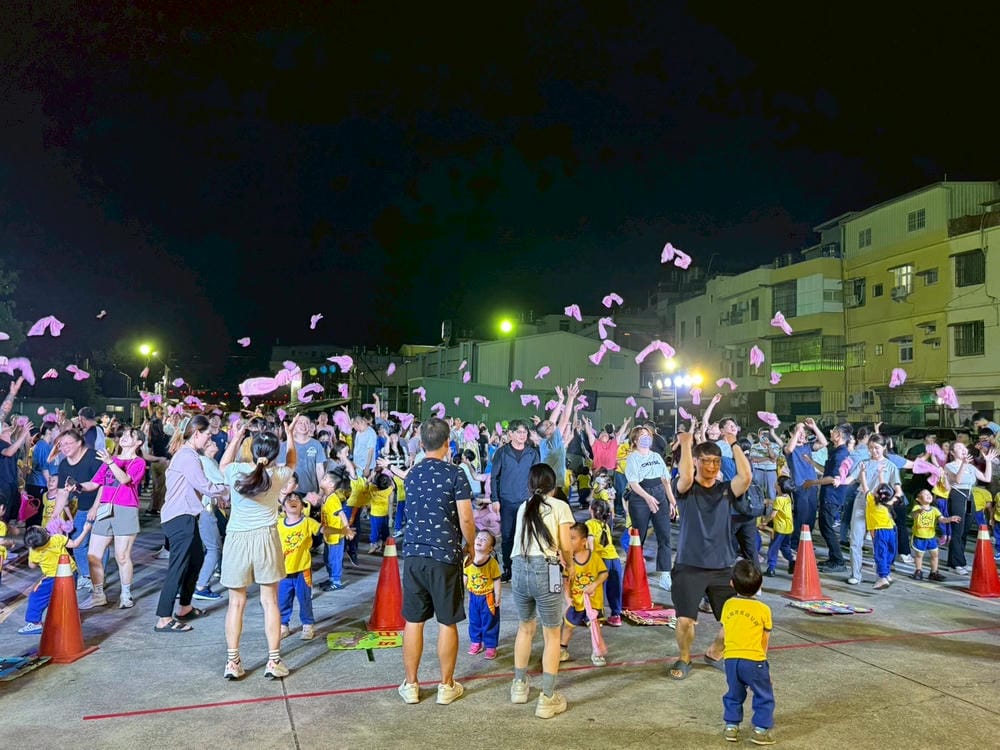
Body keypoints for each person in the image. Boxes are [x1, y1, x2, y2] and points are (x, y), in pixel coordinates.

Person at [398, 418, 477, 706]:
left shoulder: (412, 474)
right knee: (447, 621)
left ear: (421, 444)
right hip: (444, 555)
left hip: (414, 555)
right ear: (448, 444)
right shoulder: (455, 474)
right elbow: (466, 517)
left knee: (414, 621)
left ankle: (411, 684)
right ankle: (446, 686)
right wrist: (470, 544)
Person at [669, 432, 751, 681]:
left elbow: (746, 477)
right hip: (689, 566)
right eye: (705, 461)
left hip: (722, 566)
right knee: (685, 621)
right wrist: (686, 443)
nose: (711, 466)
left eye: (716, 461)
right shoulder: (685, 489)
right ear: (696, 461)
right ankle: (684, 658)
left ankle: (714, 652)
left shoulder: (726, 490)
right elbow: (685, 476)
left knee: (735, 620)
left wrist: (733, 443)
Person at [218, 420, 297, 679]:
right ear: (275, 454)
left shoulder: (236, 471)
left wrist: (237, 436)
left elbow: (223, 464)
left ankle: (233, 662)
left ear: (252, 450)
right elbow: (292, 462)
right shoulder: (278, 475)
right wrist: (289, 435)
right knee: (269, 601)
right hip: (266, 539)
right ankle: (273, 661)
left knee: (236, 603)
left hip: (237, 540)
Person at [509, 463, 575, 718]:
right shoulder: (560, 507)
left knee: (525, 628)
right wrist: (570, 566)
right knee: (551, 634)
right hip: (548, 570)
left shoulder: (523, 507)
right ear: (553, 486)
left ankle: (519, 685)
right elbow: (566, 546)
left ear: (530, 485)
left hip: (519, 569)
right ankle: (547, 698)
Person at [155, 416, 229, 634]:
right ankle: (164, 618)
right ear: (197, 433)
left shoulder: (188, 454)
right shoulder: (187, 456)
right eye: (207, 435)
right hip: (179, 518)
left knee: (196, 560)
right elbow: (203, 485)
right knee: (178, 567)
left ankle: (185, 607)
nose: (209, 439)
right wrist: (225, 491)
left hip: (186, 515)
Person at [82, 427, 147, 609]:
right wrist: (77, 486)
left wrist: (110, 462)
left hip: (126, 509)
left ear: (138, 443)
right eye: (124, 435)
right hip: (105, 509)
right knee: (93, 555)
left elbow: (125, 480)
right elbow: (94, 483)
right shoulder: (111, 460)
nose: (124, 437)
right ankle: (98, 594)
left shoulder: (139, 462)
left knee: (122, 556)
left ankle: (126, 594)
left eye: (130, 436)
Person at [833, 435, 902, 586]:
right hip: (862, 502)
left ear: (884, 447)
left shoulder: (891, 466)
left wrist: (890, 502)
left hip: (880, 507)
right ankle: (856, 574)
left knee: (882, 542)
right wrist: (839, 480)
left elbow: (898, 490)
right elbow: (850, 479)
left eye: (877, 448)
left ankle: (883, 574)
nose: (873, 451)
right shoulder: (863, 463)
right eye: (870, 448)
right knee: (855, 539)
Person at [721, 560, 775, 745]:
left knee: (734, 693)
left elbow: (726, 630)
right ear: (760, 586)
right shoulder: (763, 609)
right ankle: (760, 730)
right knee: (763, 695)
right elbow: (764, 639)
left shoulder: (728, 605)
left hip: (731, 659)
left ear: (732, 583)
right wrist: (763, 663)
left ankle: (731, 727)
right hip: (754, 660)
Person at [49, 429, 104, 592]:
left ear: (79, 443)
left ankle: (99, 579)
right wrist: (55, 514)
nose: (64, 447)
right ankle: (87, 576)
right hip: (84, 505)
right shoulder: (64, 464)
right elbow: (62, 492)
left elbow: (104, 484)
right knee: (77, 541)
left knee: (99, 544)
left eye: (68, 443)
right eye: (61, 445)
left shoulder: (94, 457)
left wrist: (95, 507)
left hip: (103, 504)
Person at [624, 424, 677, 591]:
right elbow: (633, 483)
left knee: (664, 536)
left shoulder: (656, 456)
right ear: (635, 440)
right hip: (641, 497)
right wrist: (647, 498)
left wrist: (672, 501)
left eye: (648, 435)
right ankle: (635, 572)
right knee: (638, 537)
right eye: (642, 435)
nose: (646, 437)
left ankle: (665, 575)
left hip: (659, 494)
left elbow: (666, 480)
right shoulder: (632, 458)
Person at [490, 419, 541, 581]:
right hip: (507, 501)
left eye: (525, 432)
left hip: (526, 501)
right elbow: (494, 477)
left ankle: (525, 569)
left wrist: (537, 498)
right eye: (519, 432)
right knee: (507, 536)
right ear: (510, 434)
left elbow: (536, 477)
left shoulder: (532, 453)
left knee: (527, 535)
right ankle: (508, 568)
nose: (522, 435)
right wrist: (495, 499)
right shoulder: (502, 453)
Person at [18, 523, 88, 634]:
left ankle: (34, 623)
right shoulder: (57, 538)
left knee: (36, 597)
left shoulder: (35, 551)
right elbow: (75, 544)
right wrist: (86, 530)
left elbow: (32, 566)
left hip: (52, 578)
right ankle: (71, 617)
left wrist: (32, 550)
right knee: (67, 596)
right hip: (71, 573)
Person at [559, 521, 608, 667]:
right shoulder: (569, 561)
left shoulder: (594, 557)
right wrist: (567, 598)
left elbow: (604, 573)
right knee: (568, 625)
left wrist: (594, 585)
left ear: (584, 541)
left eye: (573, 538)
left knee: (594, 626)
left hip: (593, 602)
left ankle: (597, 652)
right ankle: (562, 649)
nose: (569, 542)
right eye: (568, 538)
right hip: (576, 602)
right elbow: (566, 581)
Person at [943, 441, 995, 574]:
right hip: (958, 496)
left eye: (964, 447)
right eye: (959, 448)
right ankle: (957, 563)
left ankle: (955, 561)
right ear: (952, 452)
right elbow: (958, 480)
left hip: (970, 497)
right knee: (958, 530)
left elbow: (986, 478)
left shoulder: (971, 467)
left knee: (965, 530)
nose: (963, 449)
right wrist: (963, 465)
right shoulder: (949, 466)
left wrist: (988, 461)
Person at [277, 493, 321, 641]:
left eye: (297, 499)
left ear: (302, 507)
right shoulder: (278, 523)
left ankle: (307, 625)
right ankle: (283, 625)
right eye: (289, 500)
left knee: (304, 599)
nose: (293, 501)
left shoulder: (308, 522)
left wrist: (341, 530)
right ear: (283, 507)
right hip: (283, 571)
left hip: (302, 570)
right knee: (283, 599)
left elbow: (322, 530)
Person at [783, 419, 827, 552]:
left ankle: (806, 541)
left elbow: (824, 443)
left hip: (812, 484)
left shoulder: (808, 446)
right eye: (799, 432)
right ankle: (795, 543)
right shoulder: (788, 447)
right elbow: (789, 449)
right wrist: (798, 431)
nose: (802, 434)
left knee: (811, 515)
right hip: (799, 485)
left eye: (804, 432)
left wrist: (814, 427)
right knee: (801, 515)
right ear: (792, 434)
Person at [193, 438, 226, 601]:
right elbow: (222, 483)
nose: (214, 443)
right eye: (211, 443)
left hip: (207, 509)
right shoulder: (206, 461)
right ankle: (201, 586)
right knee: (214, 548)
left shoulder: (209, 461)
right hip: (206, 510)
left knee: (212, 546)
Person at [464, 529, 502, 660]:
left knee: (489, 621)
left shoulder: (492, 563)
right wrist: (462, 593)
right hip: (473, 596)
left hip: (488, 597)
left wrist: (497, 595)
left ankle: (490, 645)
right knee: (474, 621)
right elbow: (465, 576)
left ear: (490, 548)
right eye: (478, 538)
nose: (480, 540)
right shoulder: (468, 560)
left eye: (484, 539)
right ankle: (476, 642)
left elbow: (496, 579)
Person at [910, 489, 960, 581]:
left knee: (935, 555)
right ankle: (918, 571)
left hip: (931, 537)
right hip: (919, 537)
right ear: (918, 499)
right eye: (925, 494)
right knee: (919, 556)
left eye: (929, 494)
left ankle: (934, 572)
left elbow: (942, 519)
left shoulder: (935, 510)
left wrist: (950, 519)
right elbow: (913, 515)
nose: (928, 495)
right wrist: (919, 511)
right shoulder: (917, 508)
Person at [587, 498, 622, 626]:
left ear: (591, 510)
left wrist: (589, 560)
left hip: (601, 560)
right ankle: (616, 615)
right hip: (615, 559)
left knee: (597, 589)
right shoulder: (605, 525)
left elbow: (590, 543)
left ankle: (598, 616)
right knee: (615, 588)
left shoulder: (589, 524)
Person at [318, 471, 354, 591]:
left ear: (331, 485)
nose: (322, 479)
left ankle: (336, 581)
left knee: (335, 559)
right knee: (328, 558)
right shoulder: (325, 497)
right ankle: (331, 578)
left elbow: (341, 514)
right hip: (329, 535)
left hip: (337, 536)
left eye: (325, 479)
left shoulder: (333, 499)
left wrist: (347, 529)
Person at [866, 483, 900, 590]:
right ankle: (887, 574)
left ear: (877, 494)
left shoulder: (872, 501)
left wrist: (862, 475)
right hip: (891, 529)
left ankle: (882, 577)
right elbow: (893, 492)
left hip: (880, 531)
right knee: (890, 553)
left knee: (881, 553)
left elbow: (865, 486)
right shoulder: (888, 503)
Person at [764, 476, 795, 577]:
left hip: (779, 528)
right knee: (785, 546)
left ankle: (771, 568)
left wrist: (764, 522)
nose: (775, 482)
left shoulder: (778, 499)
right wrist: (769, 501)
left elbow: (773, 515)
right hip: (788, 528)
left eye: (777, 482)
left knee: (773, 547)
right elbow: (780, 505)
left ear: (779, 486)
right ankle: (792, 559)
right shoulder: (788, 497)